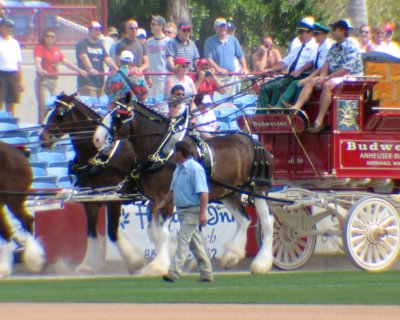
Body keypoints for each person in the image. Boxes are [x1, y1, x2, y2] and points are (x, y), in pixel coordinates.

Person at [291, 19, 363, 133]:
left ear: (343, 30)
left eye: (335, 29)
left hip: (351, 78)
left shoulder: (351, 47)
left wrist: (327, 78)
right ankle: (296, 108)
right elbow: (326, 64)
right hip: (334, 76)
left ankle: (319, 120)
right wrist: (321, 77)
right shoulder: (334, 46)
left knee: (328, 85)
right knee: (310, 81)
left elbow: (345, 70)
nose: (332, 32)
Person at [156, 140, 213, 283]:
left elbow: (203, 193)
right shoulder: (178, 169)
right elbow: (172, 190)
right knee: (195, 243)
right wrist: (163, 203)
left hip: (192, 211)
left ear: (180, 153)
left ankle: (174, 272)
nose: (173, 154)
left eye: (175, 152)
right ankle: (206, 272)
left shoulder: (195, 169)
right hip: (182, 211)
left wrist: (202, 214)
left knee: (182, 239)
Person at [257, 18, 317, 109]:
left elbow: (312, 62)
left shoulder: (315, 47)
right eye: (298, 32)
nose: (299, 35)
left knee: (278, 86)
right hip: (290, 76)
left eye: (302, 32)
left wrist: (300, 70)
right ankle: (261, 114)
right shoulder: (297, 48)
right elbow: (284, 62)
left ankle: (275, 111)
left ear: (310, 33)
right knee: (265, 88)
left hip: (302, 76)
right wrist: (269, 70)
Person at [34, 28, 87, 121]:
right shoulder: (40, 48)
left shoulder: (56, 49)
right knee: (45, 105)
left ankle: (50, 127)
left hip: (54, 80)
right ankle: (42, 128)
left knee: (54, 106)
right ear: (44, 38)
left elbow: (65, 62)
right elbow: (37, 61)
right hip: (44, 81)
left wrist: (78, 70)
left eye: (52, 36)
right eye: (47, 36)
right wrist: (40, 69)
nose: (50, 38)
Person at [277, 23, 332, 107]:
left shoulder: (326, 48)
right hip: (315, 75)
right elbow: (314, 63)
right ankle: (280, 106)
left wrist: (307, 78)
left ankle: (291, 108)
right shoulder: (320, 46)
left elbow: (322, 67)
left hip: (324, 76)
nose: (315, 37)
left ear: (324, 35)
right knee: (292, 82)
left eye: (317, 34)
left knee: (297, 83)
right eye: (314, 34)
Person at [204, 17, 249, 95]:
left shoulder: (233, 40)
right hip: (217, 77)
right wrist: (219, 69)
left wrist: (245, 68)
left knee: (230, 101)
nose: (223, 28)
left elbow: (240, 55)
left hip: (231, 76)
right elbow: (208, 59)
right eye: (220, 26)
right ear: (215, 28)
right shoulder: (209, 41)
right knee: (217, 101)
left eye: (224, 26)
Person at [76, 21, 118, 97]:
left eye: (99, 30)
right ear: (89, 30)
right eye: (96, 29)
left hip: (100, 84)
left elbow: (107, 58)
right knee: (91, 107)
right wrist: (91, 69)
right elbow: (83, 56)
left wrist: (116, 68)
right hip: (87, 83)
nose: (98, 32)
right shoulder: (82, 44)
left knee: (100, 107)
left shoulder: (100, 44)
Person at [0, 17, 24, 116]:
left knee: (11, 103)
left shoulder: (15, 43)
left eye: (11, 27)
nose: (9, 29)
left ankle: (10, 125)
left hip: (13, 75)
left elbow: (19, 63)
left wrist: (21, 81)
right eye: (7, 26)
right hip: (1, 74)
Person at [146, 15, 169, 97]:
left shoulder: (168, 42)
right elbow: (147, 59)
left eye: (153, 24)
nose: (151, 26)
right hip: (151, 78)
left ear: (161, 26)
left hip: (163, 78)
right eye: (151, 24)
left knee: (161, 102)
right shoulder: (149, 42)